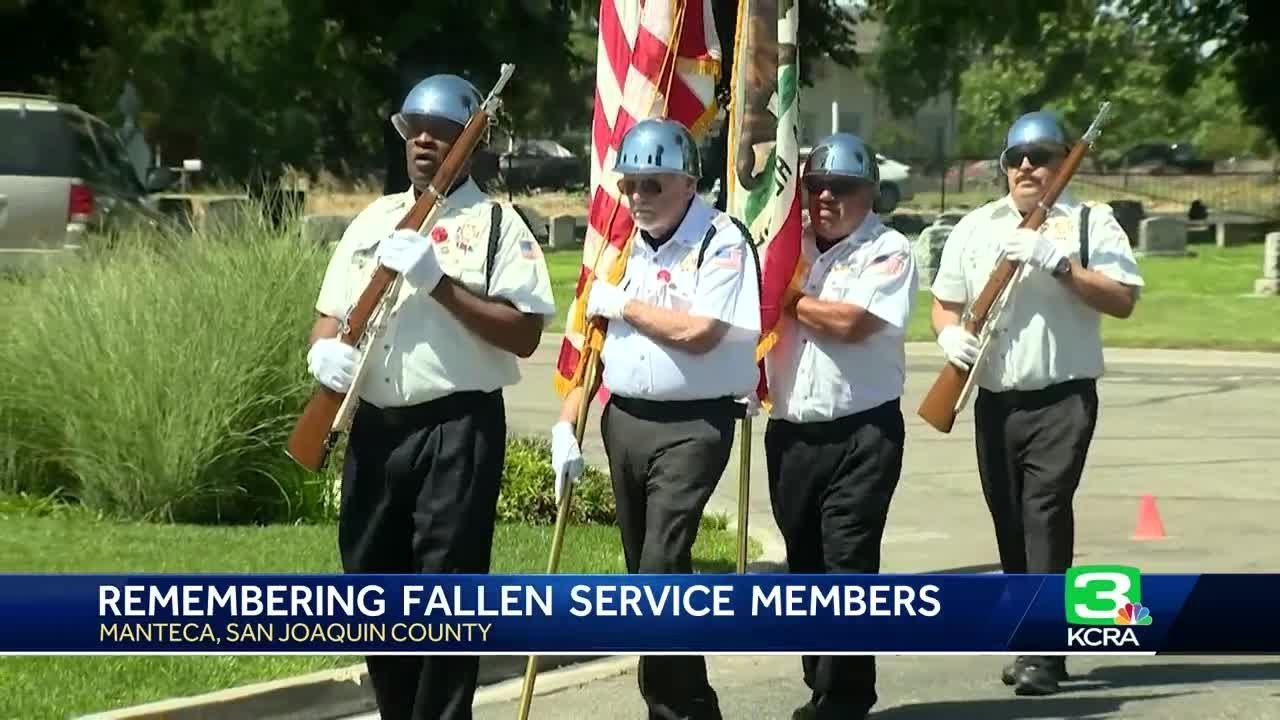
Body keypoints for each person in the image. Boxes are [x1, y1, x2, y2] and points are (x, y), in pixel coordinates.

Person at [305, 73, 556, 720]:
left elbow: (526, 333)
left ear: (469, 143)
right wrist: (323, 351)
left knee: (445, 594)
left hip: (456, 428)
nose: (423, 141)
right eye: (413, 129)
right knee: (369, 585)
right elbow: (333, 308)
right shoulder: (375, 217)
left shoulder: (497, 224)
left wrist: (439, 283)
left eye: (440, 133)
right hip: (376, 427)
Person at [549, 117, 761, 720]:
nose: (639, 197)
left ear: (689, 182)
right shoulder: (618, 252)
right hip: (627, 421)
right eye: (631, 185)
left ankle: (677, 708)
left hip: (694, 426)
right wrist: (569, 423)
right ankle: (683, 703)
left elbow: (700, 332)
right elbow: (590, 343)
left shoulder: (720, 239)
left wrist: (626, 307)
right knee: (647, 566)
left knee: (659, 570)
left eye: (654, 185)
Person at [929, 110, 1145, 696]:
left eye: (1041, 157)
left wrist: (1060, 264)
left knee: (1044, 511)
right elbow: (945, 303)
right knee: (1009, 517)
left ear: (1061, 165)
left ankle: (1044, 650)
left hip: (1062, 397)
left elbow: (1123, 299)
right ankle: (1032, 630)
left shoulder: (1088, 224)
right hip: (995, 399)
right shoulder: (975, 227)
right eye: (1015, 158)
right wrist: (950, 336)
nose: (1027, 167)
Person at [762, 133, 917, 720]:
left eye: (843, 188)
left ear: (870, 192)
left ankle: (847, 697)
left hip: (863, 432)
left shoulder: (888, 248)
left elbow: (851, 323)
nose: (827, 197)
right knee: (804, 564)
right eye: (816, 186)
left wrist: (783, 299)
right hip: (793, 434)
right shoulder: (787, 248)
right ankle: (821, 684)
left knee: (848, 562)